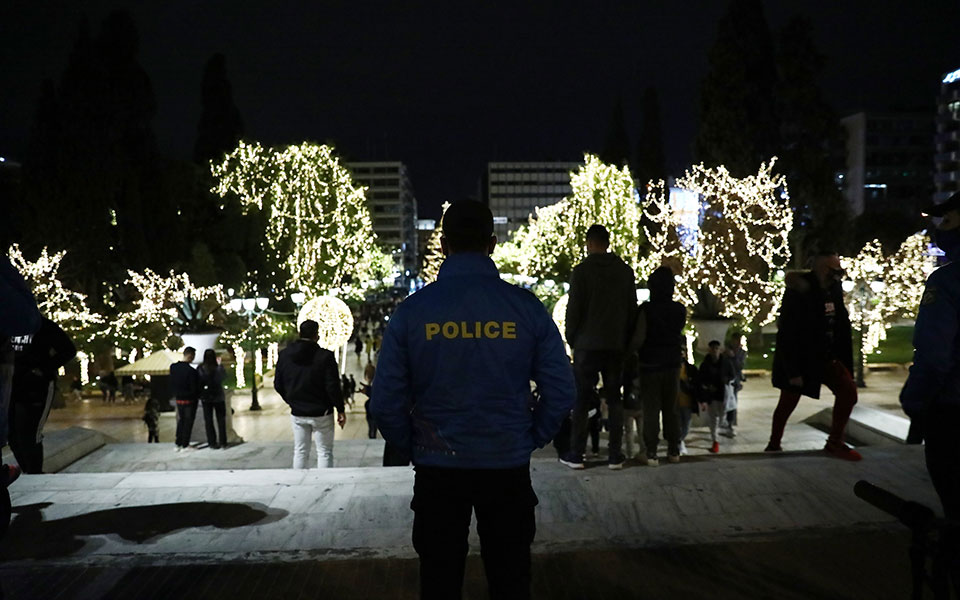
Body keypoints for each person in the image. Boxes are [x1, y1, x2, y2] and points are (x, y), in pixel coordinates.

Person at [371, 200, 575, 599]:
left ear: (444, 245)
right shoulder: (525, 308)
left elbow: (385, 402)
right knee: (511, 577)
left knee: (439, 579)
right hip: (506, 463)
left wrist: (412, 444)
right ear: (493, 244)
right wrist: (532, 434)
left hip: (438, 466)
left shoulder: (412, 313)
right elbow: (561, 388)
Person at [901, 192, 960, 544]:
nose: (940, 229)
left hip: (953, 411)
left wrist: (916, 401)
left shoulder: (947, 281)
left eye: (948, 221)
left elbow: (934, 354)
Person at [767, 251, 861, 460]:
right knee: (788, 401)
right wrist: (793, 371)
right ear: (821, 267)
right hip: (802, 358)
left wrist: (847, 366)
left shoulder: (834, 289)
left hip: (826, 357)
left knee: (848, 392)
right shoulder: (799, 291)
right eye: (833, 269)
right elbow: (788, 332)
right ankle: (773, 445)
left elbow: (841, 327)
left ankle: (835, 442)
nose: (838, 275)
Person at [560, 224, 636, 470]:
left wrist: (573, 339)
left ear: (589, 243)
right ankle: (615, 455)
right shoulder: (625, 272)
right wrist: (626, 342)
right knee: (614, 399)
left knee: (581, 400)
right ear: (608, 242)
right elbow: (632, 310)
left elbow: (574, 311)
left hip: (586, 345)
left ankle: (577, 454)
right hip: (615, 345)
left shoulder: (581, 272)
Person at [274, 320, 346, 469]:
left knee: (300, 451)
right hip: (322, 412)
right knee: (324, 452)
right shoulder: (325, 356)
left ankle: (299, 487)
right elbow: (332, 386)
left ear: (299, 333)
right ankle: (323, 485)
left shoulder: (285, 355)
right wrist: (340, 409)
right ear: (317, 335)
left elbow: (278, 384)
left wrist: (291, 400)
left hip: (298, 411)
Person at [8, 317, 75, 474]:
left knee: (29, 432)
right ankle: (29, 471)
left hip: (36, 386)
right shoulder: (7, 322)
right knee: (12, 434)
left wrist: (43, 369)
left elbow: (68, 350)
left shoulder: (41, 325)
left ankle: (34, 472)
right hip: (11, 384)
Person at [636, 266, 687, 465]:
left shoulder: (646, 310)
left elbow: (639, 337)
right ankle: (674, 450)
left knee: (650, 409)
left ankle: (651, 452)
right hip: (672, 364)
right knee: (670, 407)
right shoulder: (679, 309)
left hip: (649, 364)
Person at [699, 340, 734, 454]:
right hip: (712, 395)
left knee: (722, 416)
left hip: (723, 394)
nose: (714, 351)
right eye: (712, 348)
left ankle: (718, 433)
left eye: (716, 348)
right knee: (713, 418)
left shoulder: (726, 362)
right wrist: (708, 387)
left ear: (720, 350)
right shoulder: (705, 364)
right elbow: (701, 380)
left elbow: (732, 375)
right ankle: (715, 440)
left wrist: (726, 380)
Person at [169, 347, 200, 452]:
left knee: (181, 421)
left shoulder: (173, 367)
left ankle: (178, 443)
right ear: (190, 356)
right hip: (189, 400)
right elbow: (194, 388)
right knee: (188, 422)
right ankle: (185, 444)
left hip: (178, 399)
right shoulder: (191, 371)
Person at [198, 349, 227, 449]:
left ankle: (212, 442)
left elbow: (199, 380)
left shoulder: (201, 368)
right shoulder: (218, 367)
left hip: (206, 397)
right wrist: (219, 366)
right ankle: (223, 441)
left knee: (208, 421)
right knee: (221, 420)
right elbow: (222, 378)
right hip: (218, 396)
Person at [676, 350, 699, 456]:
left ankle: (680, 440)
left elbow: (696, 384)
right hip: (675, 402)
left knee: (686, 425)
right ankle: (679, 443)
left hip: (687, 402)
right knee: (678, 424)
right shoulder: (671, 370)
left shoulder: (691, 369)